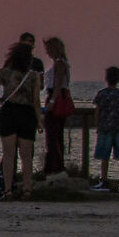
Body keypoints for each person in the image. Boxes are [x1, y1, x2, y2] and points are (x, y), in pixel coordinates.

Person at [0, 41, 42, 200]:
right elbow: (36, 101)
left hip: (8, 112)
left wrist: (1, 101)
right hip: (27, 114)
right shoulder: (33, 76)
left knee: (9, 155)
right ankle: (27, 190)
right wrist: (39, 120)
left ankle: (8, 190)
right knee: (26, 156)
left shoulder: (5, 73)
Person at [91, 66, 119, 192]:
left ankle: (104, 180)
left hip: (105, 128)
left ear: (106, 78)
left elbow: (97, 112)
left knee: (104, 156)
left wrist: (97, 125)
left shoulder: (102, 94)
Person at [40, 37, 74, 176]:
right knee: (56, 134)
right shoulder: (60, 63)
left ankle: (55, 167)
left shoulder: (60, 64)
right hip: (56, 96)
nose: (47, 52)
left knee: (53, 135)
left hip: (55, 97)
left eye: (48, 49)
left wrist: (52, 102)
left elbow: (58, 84)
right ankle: (55, 166)